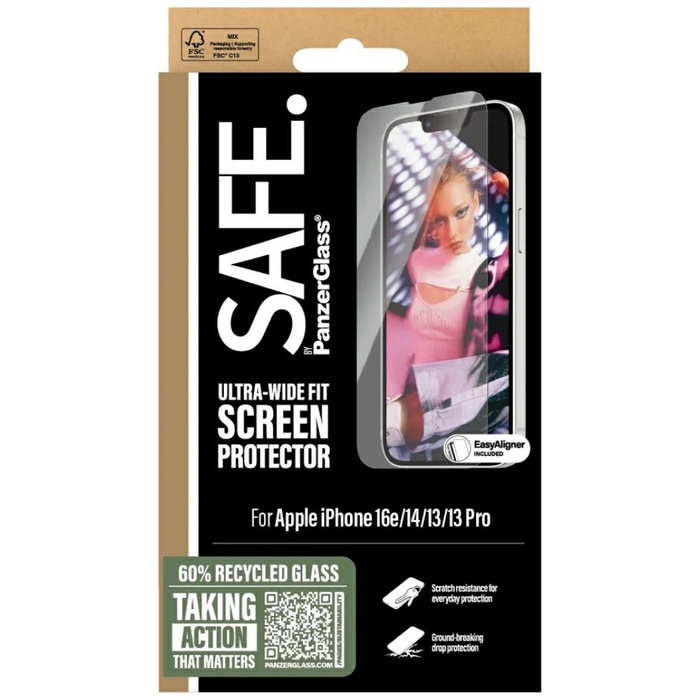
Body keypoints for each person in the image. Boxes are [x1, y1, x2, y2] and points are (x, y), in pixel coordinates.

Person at [386, 160, 511, 457]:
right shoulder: (417, 261)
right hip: (401, 394)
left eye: (461, 212)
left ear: (476, 203)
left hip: (440, 416)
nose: (453, 231)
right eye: (440, 220)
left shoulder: (486, 275)